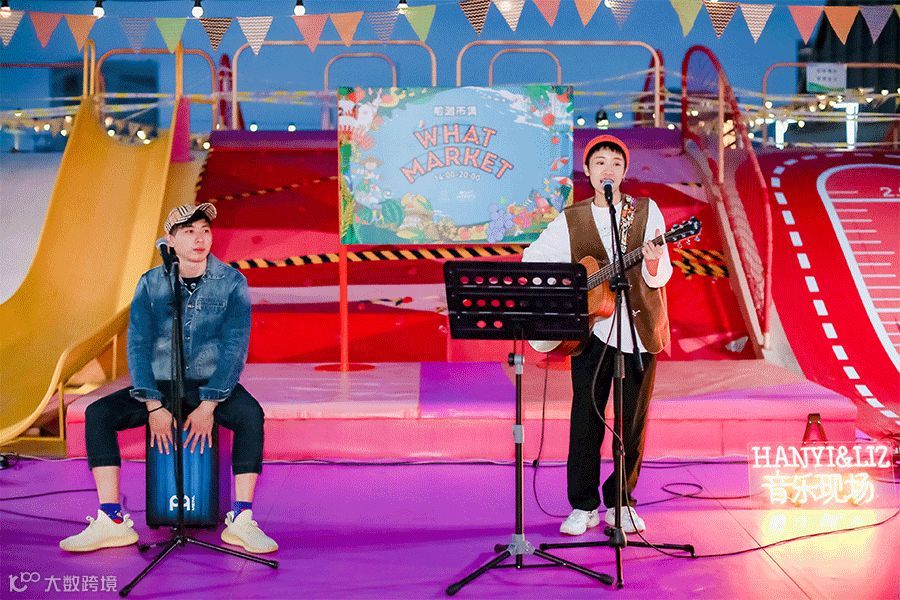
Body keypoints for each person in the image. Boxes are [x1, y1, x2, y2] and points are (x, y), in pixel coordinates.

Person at [60, 203, 277, 554]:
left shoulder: (232, 282)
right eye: (189, 232)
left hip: (211, 386)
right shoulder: (151, 283)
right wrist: (152, 405)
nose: (200, 238)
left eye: (205, 230)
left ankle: (241, 519)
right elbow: (138, 345)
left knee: (251, 415)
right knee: (99, 414)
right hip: (160, 385)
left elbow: (235, 347)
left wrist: (209, 404)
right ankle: (111, 520)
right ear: (170, 241)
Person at [522, 135, 672, 535]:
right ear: (588, 171)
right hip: (592, 330)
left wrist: (652, 262)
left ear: (624, 172)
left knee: (632, 422)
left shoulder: (645, 211)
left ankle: (621, 502)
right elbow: (533, 259)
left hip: (639, 329)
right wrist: (571, 288)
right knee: (585, 418)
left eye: (616, 164)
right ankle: (584, 504)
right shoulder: (571, 219)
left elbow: (662, 273)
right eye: (600, 162)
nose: (609, 169)